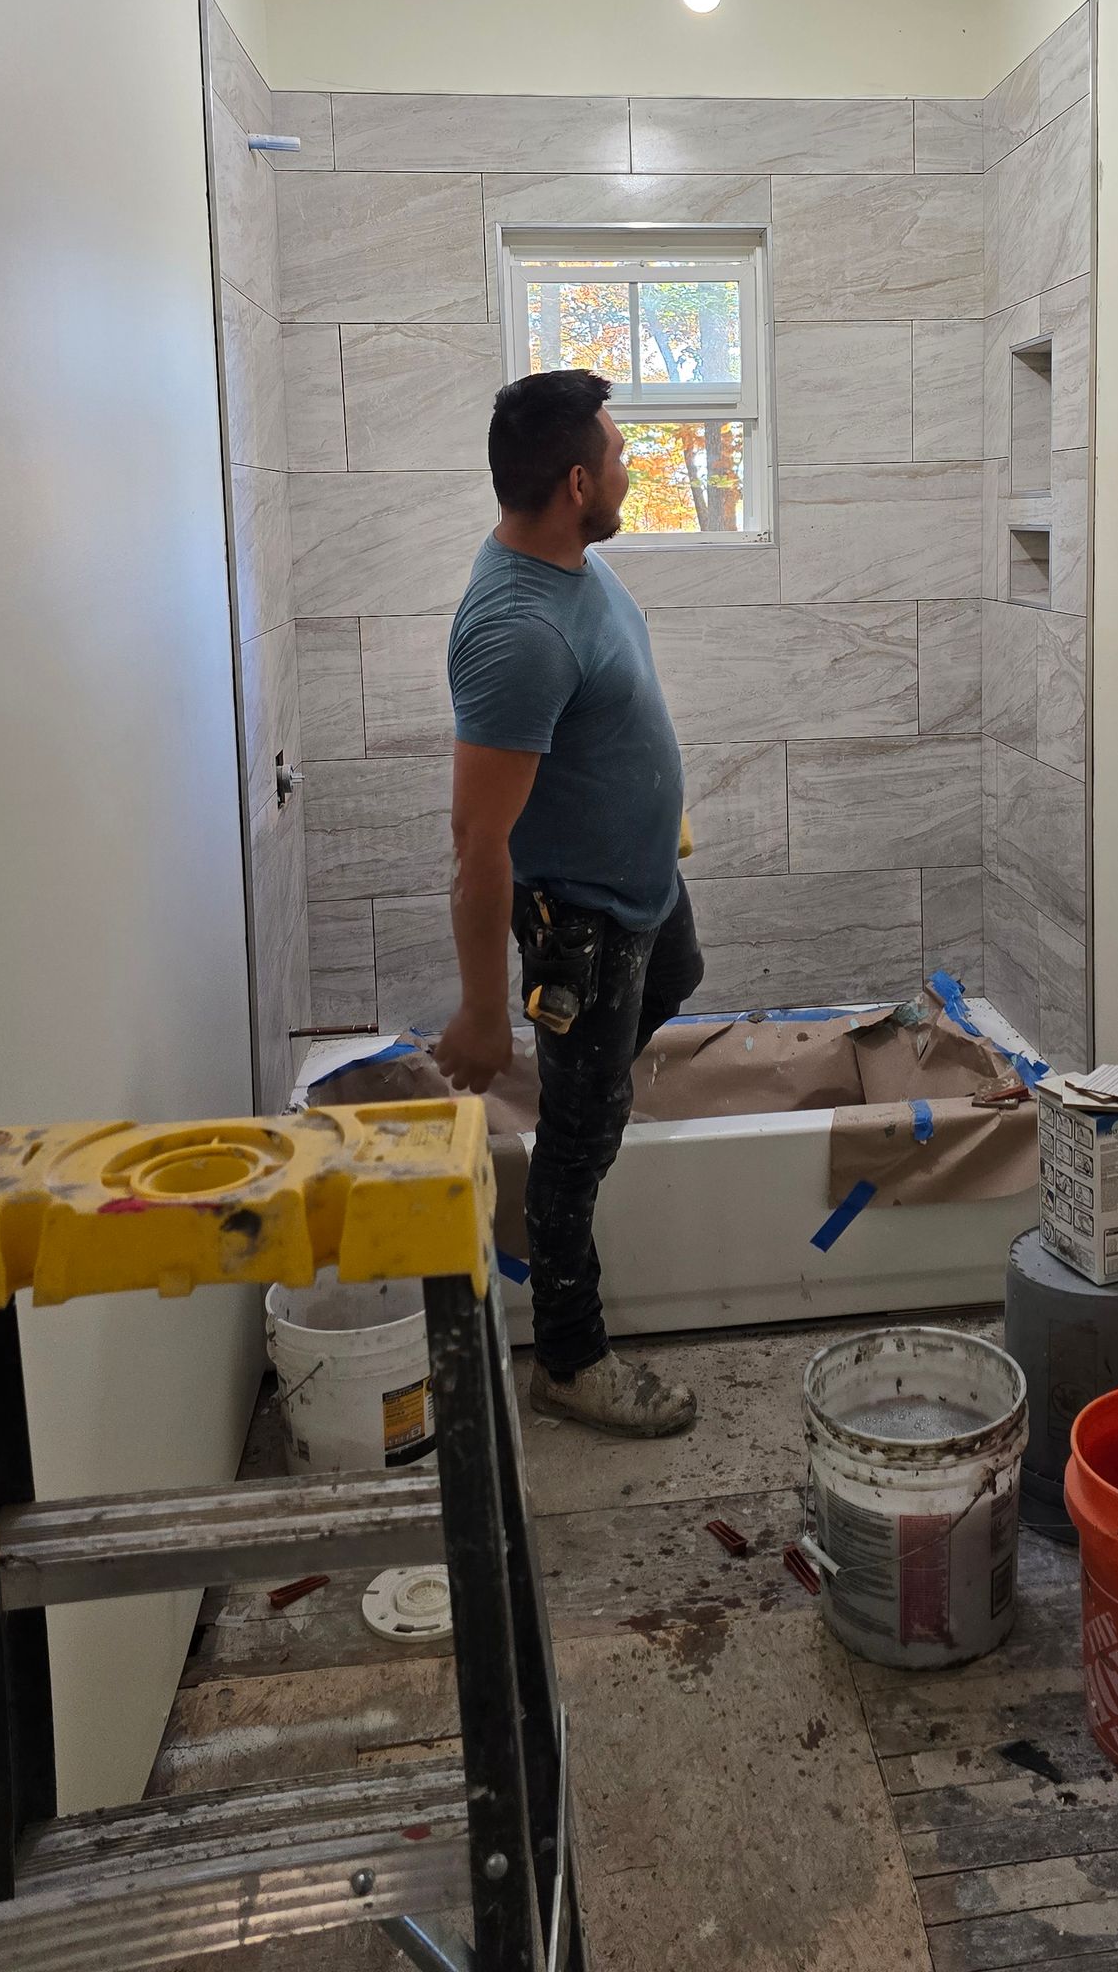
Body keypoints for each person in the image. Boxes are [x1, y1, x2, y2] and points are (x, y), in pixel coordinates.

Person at [433, 369, 701, 1437]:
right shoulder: (517, 631)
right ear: (577, 481)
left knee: (679, 978)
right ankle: (571, 1358)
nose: (633, 466)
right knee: (578, 1144)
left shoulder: (575, 564)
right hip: (579, 923)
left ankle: (582, 1081)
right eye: (622, 452)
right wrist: (486, 1009)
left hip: (641, 894)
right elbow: (476, 840)